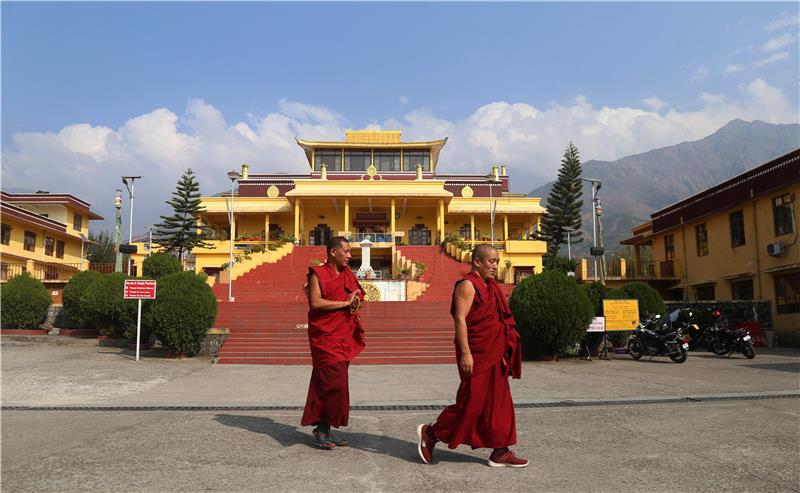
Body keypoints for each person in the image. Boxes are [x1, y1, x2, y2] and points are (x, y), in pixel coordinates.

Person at [416, 243, 527, 467]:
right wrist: (466, 353)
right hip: (475, 353)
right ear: (477, 261)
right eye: (491, 261)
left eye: (497, 261)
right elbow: (460, 319)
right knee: (472, 402)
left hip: (494, 353)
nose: (495, 265)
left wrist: (504, 350)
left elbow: (498, 320)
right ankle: (431, 433)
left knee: (499, 403)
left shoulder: (491, 286)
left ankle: (500, 450)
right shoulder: (468, 285)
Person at [301, 236, 365, 449]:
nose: (349, 255)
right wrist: (344, 303)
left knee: (329, 383)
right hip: (325, 336)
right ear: (332, 252)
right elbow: (316, 303)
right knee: (335, 383)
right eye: (346, 251)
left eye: (350, 251)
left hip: (343, 335)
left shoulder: (348, 274)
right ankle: (322, 428)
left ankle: (325, 428)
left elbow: (357, 299)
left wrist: (354, 303)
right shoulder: (318, 274)